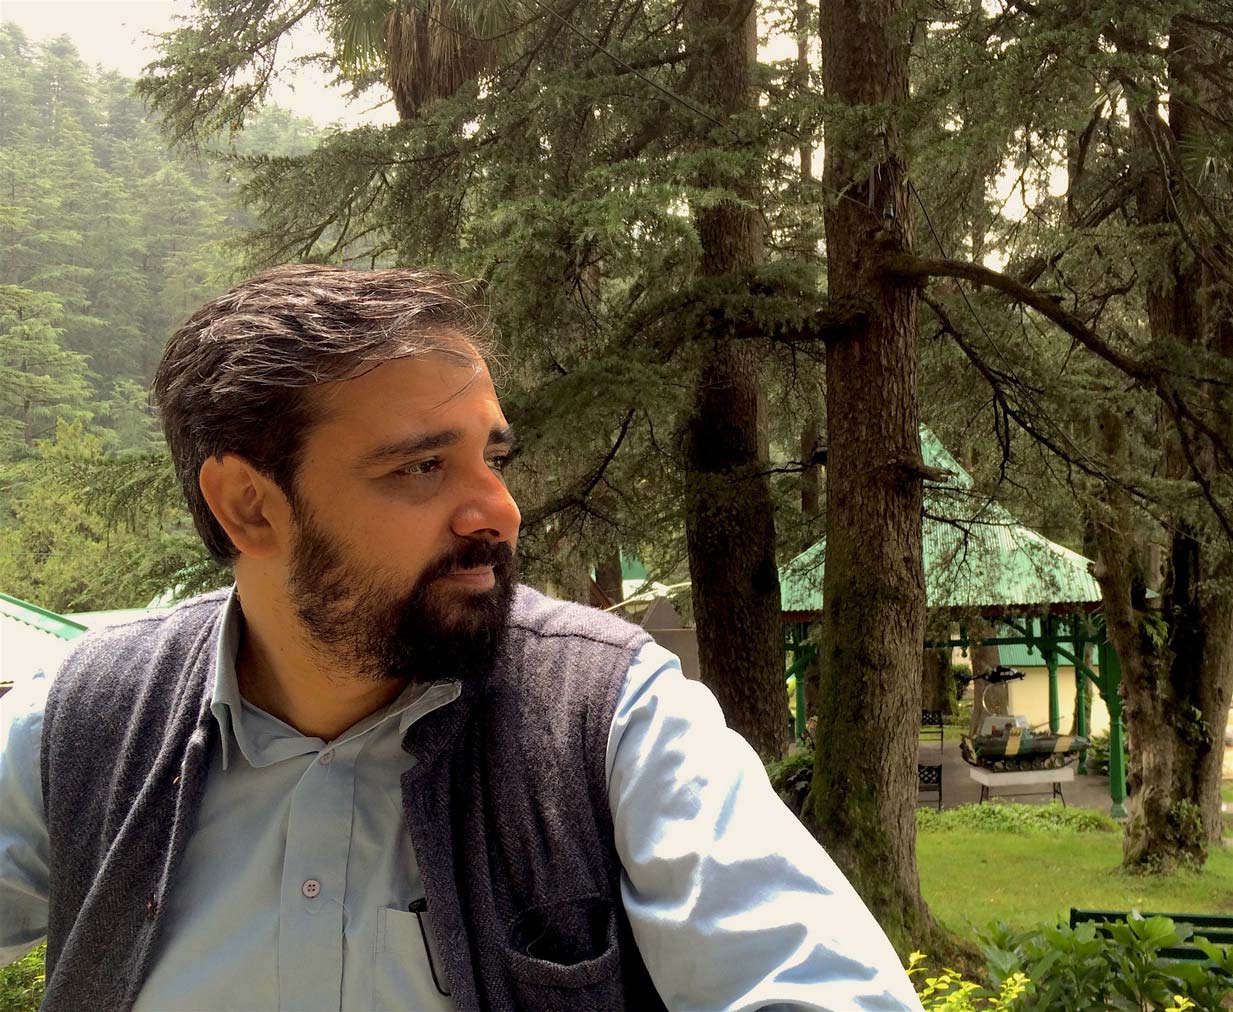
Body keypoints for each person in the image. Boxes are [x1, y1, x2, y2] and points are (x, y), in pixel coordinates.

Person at [0, 264, 923, 1012]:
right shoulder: (86, 719)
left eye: (494, 458)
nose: (499, 510)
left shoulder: (612, 719)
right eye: (421, 467)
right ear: (248, 505)